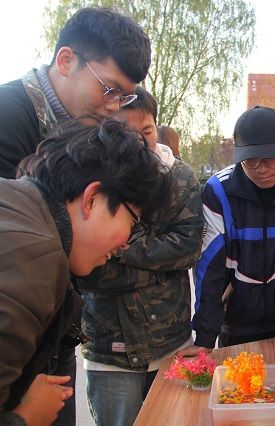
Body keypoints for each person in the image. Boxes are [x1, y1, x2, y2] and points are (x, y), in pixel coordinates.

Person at [0, 118, 171, 426]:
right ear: (93, 198)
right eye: (132, 224)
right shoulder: (35, 259)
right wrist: (25, 417)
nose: (123, 245)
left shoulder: (15, 205)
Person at [76, 88, 203, 426]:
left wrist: (123, 250)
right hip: (110, 348)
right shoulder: (89, 178)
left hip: (171, 342)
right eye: (127, 134)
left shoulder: (181, 176)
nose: (140, 143)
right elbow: (88, 269)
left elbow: (187, 248)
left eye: (147, 131)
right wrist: (159, 267)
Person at [179, 106, 275, 356]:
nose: (260, 168)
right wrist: (205, 338)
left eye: (270, 158)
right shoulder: (218, 191)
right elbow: (209, 267)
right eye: (250, 160)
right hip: (237, 322)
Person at [0, 7, 151, 180]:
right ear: (66, 61)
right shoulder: (6, 115)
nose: (115, 107)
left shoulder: (94, 133)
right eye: (109, 90)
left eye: (123, 97)